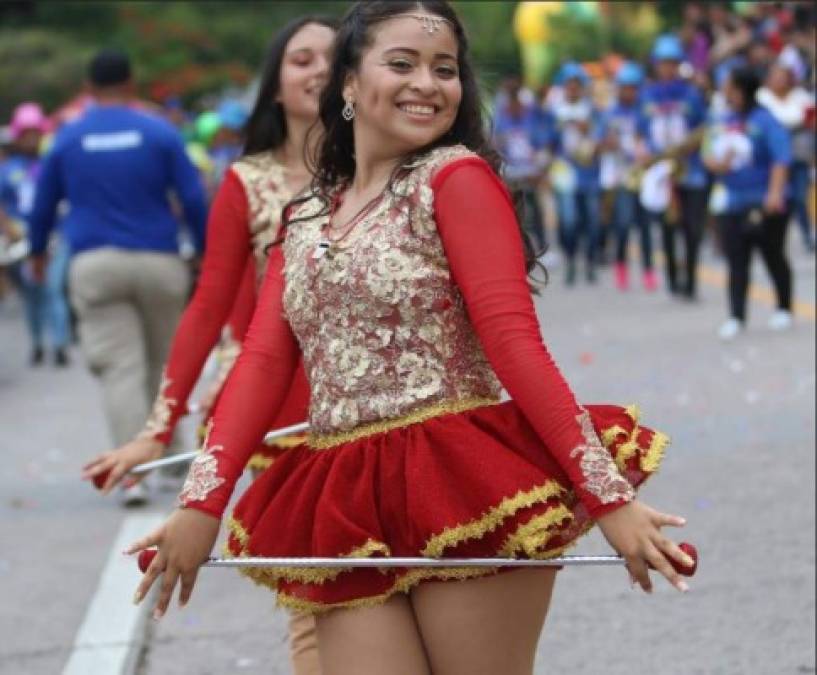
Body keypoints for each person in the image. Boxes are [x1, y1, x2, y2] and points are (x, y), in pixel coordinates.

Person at [128, 4, 691, 674]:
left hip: (460, 480)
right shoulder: (306, 216)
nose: (427, 83)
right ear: (346, 84)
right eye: (401, 63)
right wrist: (201, 502)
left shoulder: (455, 180)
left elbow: (514, 344)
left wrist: (608, 495)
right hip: (344, 492)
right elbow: (262, 360)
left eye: (444, 69)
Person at [82, 18, 337, 675]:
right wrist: (156, 427)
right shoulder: (246, 183)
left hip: (388, 409)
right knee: (316, 599)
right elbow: (207, 307)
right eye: (301, 58)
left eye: (334, 58)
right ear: (274, 86)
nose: (318, 69)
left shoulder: (388, 172)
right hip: (280, 416)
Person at [27, 49, 208, 475]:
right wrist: (203, 247)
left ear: (88, 90)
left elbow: (42, 206)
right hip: (159, 261)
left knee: (120, 368)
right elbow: (194, 196)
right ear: (131, 85)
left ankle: (133, 474)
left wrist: (37, 254)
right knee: (163, 361)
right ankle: (173, 458)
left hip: (95, 264)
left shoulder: (67, 138)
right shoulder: (159, 133)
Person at [703, 66, 793, 341]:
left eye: (729, 85)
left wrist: (774, 194)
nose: (725, 90)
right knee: (736, 259)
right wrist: (719, 162)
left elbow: (781, 159)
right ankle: (736, 316)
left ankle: (783, 307)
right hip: (732, 201)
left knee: (772, 254)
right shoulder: (723, 120)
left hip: (764, 200)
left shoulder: (765, 121)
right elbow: (709, 156)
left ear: (740, 89)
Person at [0, 102, 72, 366]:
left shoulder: (52, 163)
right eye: (26, 133)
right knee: (31, 294)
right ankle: (38, 343)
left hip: (56, 236)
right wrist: (9, 230)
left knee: (53, 288)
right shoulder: (8, 169)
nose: (31, 138)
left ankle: (60, 344)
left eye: (35, 132)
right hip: (21, 239)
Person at [640, 34, 709, 300]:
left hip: (689, 169)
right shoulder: (648, 96)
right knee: (667, 227)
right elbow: (640, 131)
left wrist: (689, 147)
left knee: (692, 228)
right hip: (660, 170)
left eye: (672, 62)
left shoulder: (691, 94)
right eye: (663, 63)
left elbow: (704, 128)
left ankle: (690, 281)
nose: (667, 68)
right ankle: (672, 280)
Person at [599, 62, 656, 292]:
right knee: (622, 225)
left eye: (633, 87)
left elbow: (652, 139)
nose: (629, 92)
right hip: (620, 177)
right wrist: (608, 144)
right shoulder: (609, 114)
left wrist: (645, 148)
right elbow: (599, 144)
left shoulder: (645, 111)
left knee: (645, 227)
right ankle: (621, 266)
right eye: (625, 87)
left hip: (642, 175)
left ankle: (648, 271)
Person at [548, 61, 603, 285]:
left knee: (591, 220)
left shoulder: (592, 110)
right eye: (569, 84)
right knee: (568, 220)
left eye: (576, 85)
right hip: (565, 172)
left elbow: (601, 137)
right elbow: (548, 141)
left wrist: (588, 130)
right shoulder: (555, 111)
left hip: (588, 173)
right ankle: (570, 259)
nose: (572, 89)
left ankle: (590, 262)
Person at [757, 59, 816, 252]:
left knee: (799, 197)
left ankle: (807, 234)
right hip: (770, 160)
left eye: (783, 76)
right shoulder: (762, 98)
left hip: (797, 154)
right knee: (773, 197)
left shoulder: (801, 97)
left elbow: (810, 121)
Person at [492, 76, 551, 253]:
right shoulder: (500, 119)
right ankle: (516, 248)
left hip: (530, 171)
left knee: (535, 209)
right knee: (513, 212)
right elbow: (494, 146)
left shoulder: (532, 117)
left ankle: (540, 246)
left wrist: (540, 169)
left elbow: (543, 144)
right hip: (510, 172)